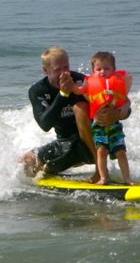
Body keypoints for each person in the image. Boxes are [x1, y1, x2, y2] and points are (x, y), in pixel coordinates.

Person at [20, 46, 131, 181]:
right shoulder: (38, 90)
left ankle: (101, 172)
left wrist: (119, 113)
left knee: (80, 107)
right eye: (58, 70)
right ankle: (44, 178)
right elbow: (45, 124)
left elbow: (116, 102)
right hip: (65, 145)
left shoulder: (81, 82)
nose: (64, 73)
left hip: (94, 143)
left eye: (66, 67)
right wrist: (63, 94)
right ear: (45, 70)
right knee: (26, 162)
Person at [72, 51, 134, 185]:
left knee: (121, 152)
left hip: (115, 125)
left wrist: (124, 107)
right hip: (99, 125)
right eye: (98, 69)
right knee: (101, 151)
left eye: (106, 68)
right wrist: (73, 86)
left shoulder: (116, 83)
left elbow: (125, 99)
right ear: (93, 71)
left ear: (113, 70)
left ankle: (127, 179)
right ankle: (103, 177)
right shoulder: (89, 82)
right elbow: (80, 90)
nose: (102, 71)